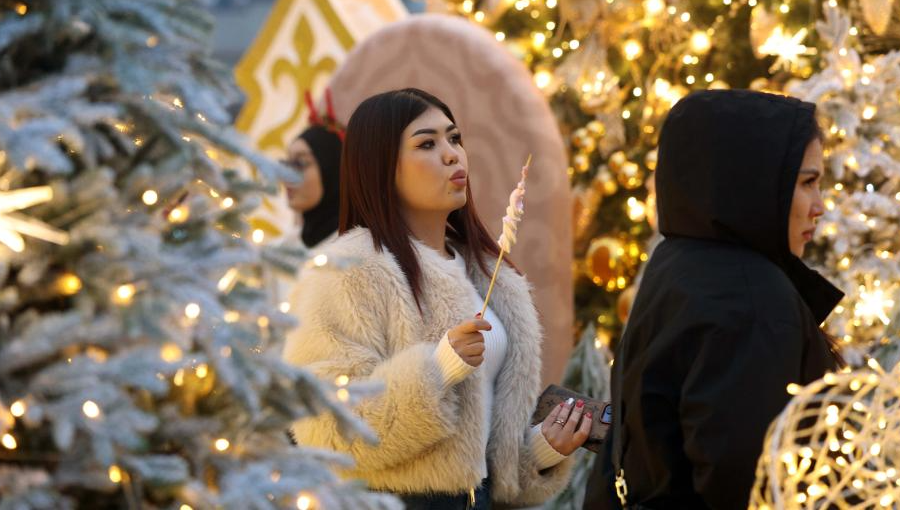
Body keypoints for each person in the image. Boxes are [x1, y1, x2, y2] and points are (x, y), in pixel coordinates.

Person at [284, 88, 588, 509]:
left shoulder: (487, 274)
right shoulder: (348, 269)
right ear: (381, 167)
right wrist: (438, 369)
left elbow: (475, 447)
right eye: (427, 143)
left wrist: (541, 449)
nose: (452, 155)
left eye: (455, 138)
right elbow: (323, 424)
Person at [584, 89, 845, 510]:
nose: (820, 206)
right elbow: (749, 481)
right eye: (807, 183)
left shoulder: (681, 261)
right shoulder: (751, 298)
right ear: (757, 184)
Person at [283, 123, 342, 249]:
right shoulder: (286, 249)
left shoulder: (357, 253)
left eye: (300, 163)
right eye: (287, 163)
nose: (286, 175)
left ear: (332, 170)